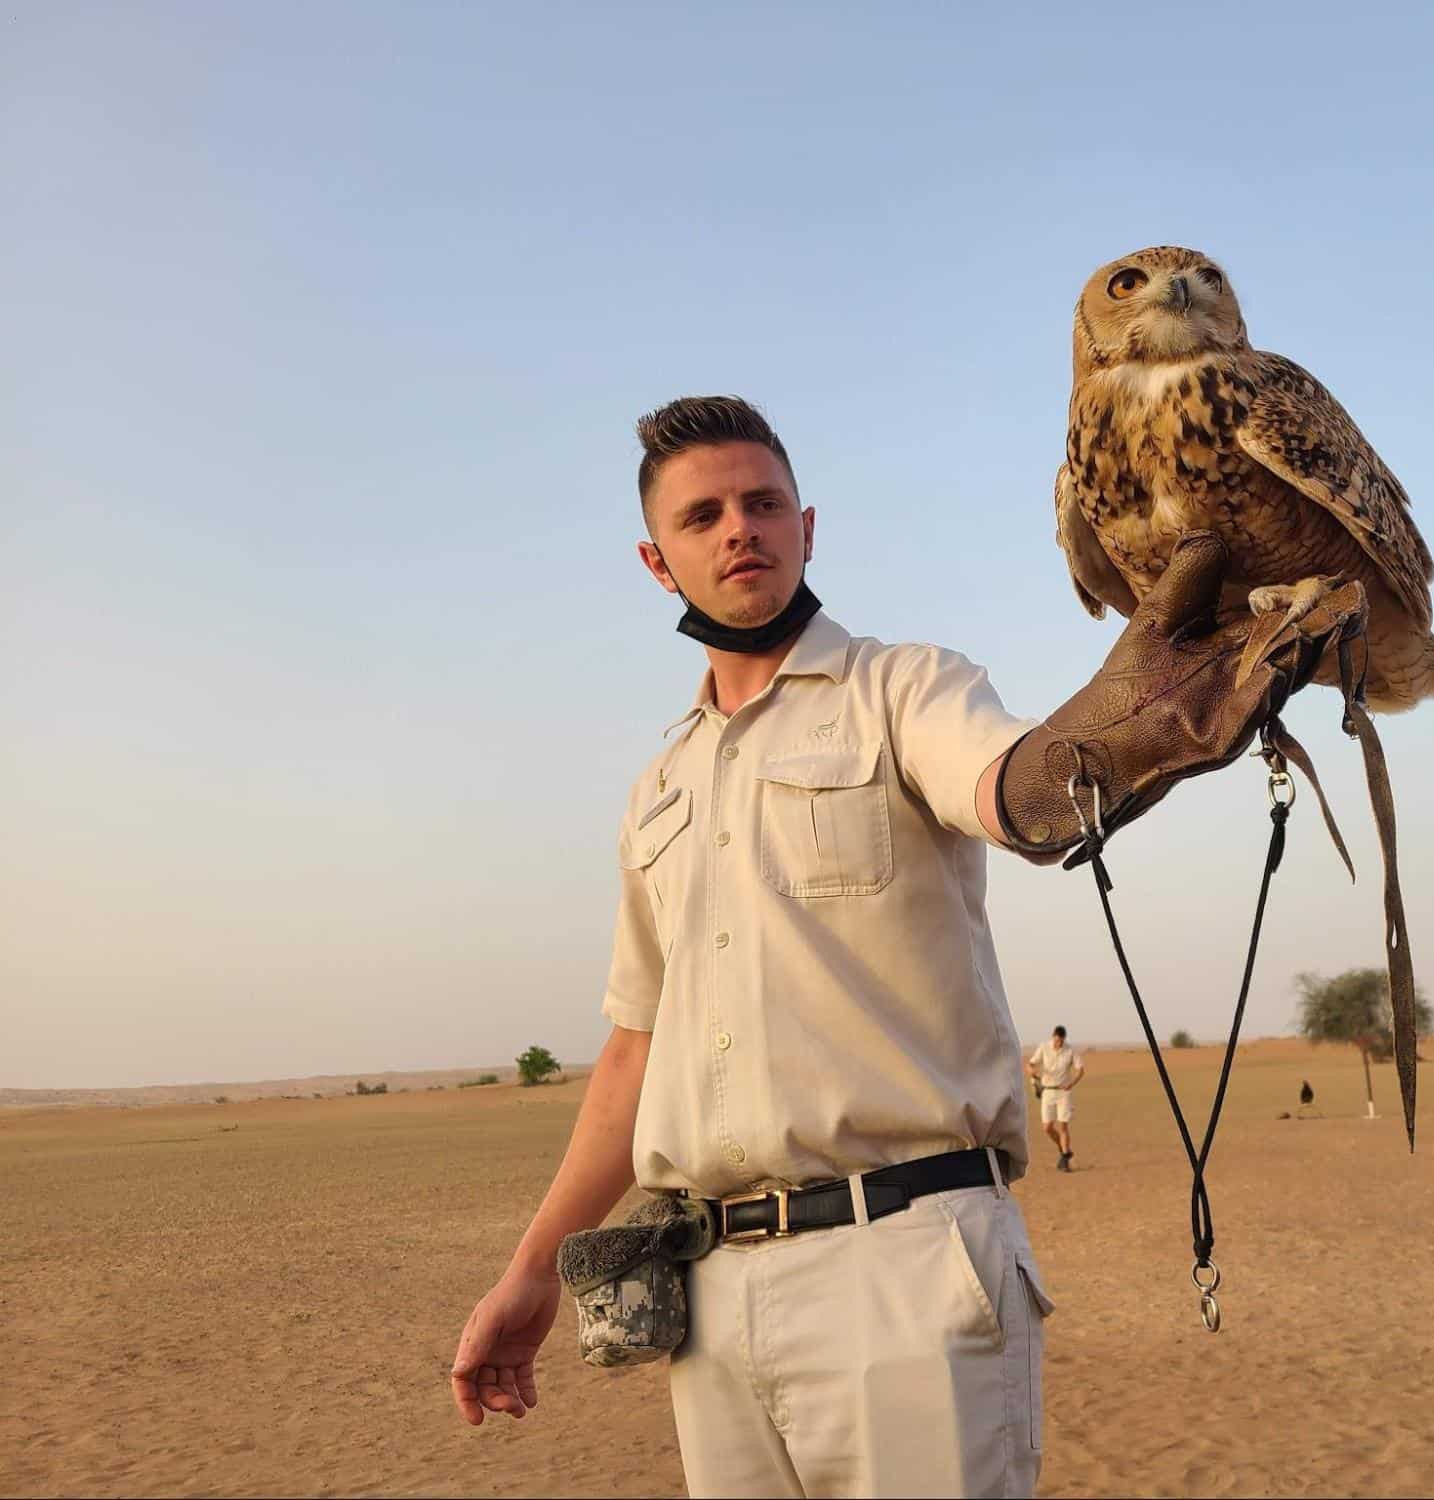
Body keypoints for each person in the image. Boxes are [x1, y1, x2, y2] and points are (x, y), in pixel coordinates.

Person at [447, 396, 1338, 1499]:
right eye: (705, 514)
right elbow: (632, 1054)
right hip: (709, 1296)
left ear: (807, 529)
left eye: (764, 504)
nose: (740, 529)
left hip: (906, 1265)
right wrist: (530, 1273)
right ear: (656, 559)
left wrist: (1116, 739)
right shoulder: (660, 789)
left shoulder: (905, 688)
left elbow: (1013, 787)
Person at [1025, 1026, 1085, 1171]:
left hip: (1063, 1092)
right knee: (1047, 1127)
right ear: (1053, 1037)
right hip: (1047, 1092)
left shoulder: (1070, 1050)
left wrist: (1072, 1083)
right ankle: (1062, 1149)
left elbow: (1081, 1069)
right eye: (1056, 1041)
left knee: (1063, 1126)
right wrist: (1032, 1072)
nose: (1058, 1044)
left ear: (1064, 1039)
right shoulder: (1044, 1047)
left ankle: (1065, 1158)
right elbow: (1030, 1064)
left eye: (1061, 1041)